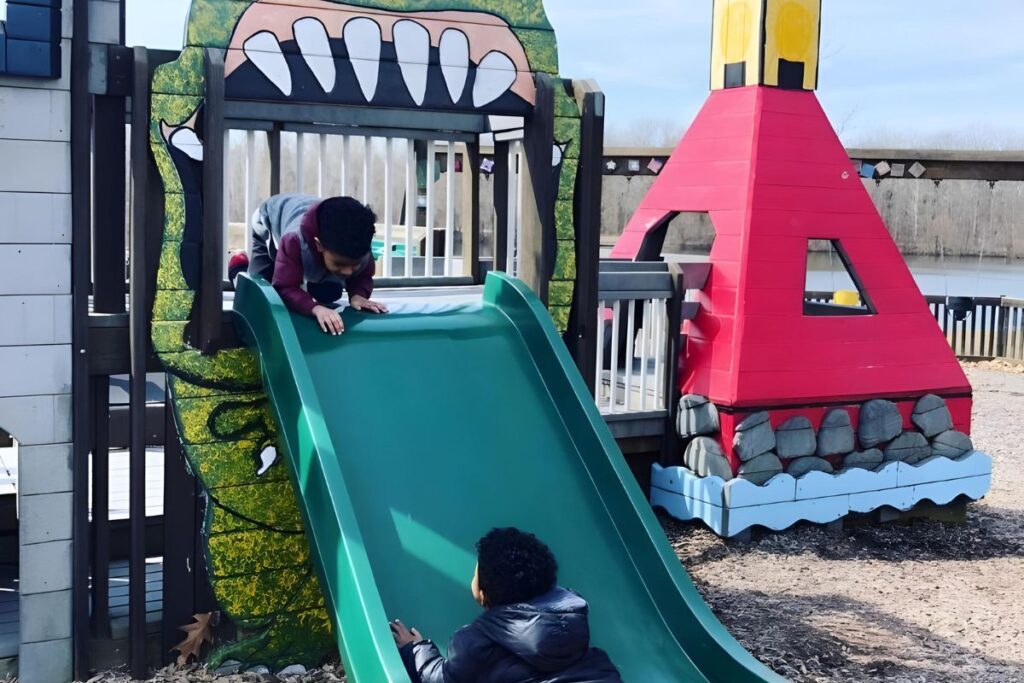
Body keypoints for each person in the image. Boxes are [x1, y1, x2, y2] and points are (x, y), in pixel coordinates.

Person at [390, 528, 623, 683]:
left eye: (475, 573)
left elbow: (443, 679)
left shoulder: (476, 644)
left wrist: (416, 649)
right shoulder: (573, 618)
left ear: (483, 594)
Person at [229, 193, 388, 335]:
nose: (347, 272)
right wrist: (315, 308)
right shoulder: (294, 240)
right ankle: (238, 267)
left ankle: (319, 281)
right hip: (269, 221)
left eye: (355, 265)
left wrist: (358, 295)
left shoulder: (359, 244)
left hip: (313, 227)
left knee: (329, 294)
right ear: (319, 245)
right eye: (339, 264)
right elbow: (284, 287)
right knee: (260, 296)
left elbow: (364, 275)